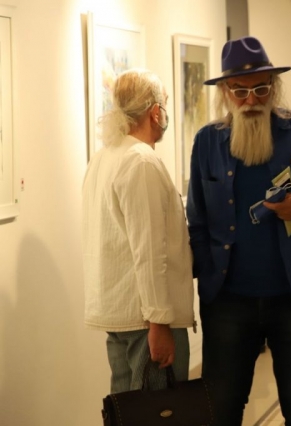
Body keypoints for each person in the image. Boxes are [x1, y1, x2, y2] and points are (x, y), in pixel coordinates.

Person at [186, 36, 291, 426]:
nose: (251, 100)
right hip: (228, 300)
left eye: (260, 88)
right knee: (221, 409)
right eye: (240, 91)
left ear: (274, 86)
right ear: (225, 92)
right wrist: (209, 276)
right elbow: (198, 221)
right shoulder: (208, 141)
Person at [82, 69, 195, 393]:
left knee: (127, 408)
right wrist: (159, 322)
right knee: (160, 409)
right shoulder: (141, 161)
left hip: (119, 315)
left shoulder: (103, 158)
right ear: (155, 112)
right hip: (147, 320)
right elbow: (149, 250)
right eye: (165, 106)